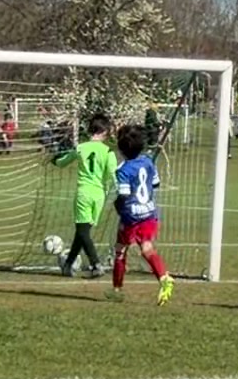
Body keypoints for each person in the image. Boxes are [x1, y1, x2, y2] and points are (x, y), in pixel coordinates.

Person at [110, 124, 173, 305]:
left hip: (131, 217)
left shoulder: (123, 170)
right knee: (147, 248)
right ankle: (164, 277)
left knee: (120, 250)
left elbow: (124, 194)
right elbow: (156, 184)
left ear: (121, 149)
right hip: (149, 213)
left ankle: (117, 289)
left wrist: (118, 206)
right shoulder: (148, 161)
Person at [53, 112, 117, 278]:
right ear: (104, 131)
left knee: (83, 232)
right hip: (99, 195)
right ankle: (68, 265)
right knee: (83, 231)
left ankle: (96, 264)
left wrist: (54, 160)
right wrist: (119, 192)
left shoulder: (81, 148)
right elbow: (114, 175)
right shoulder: (108, 151)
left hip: (84, 193)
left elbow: (63, 162)